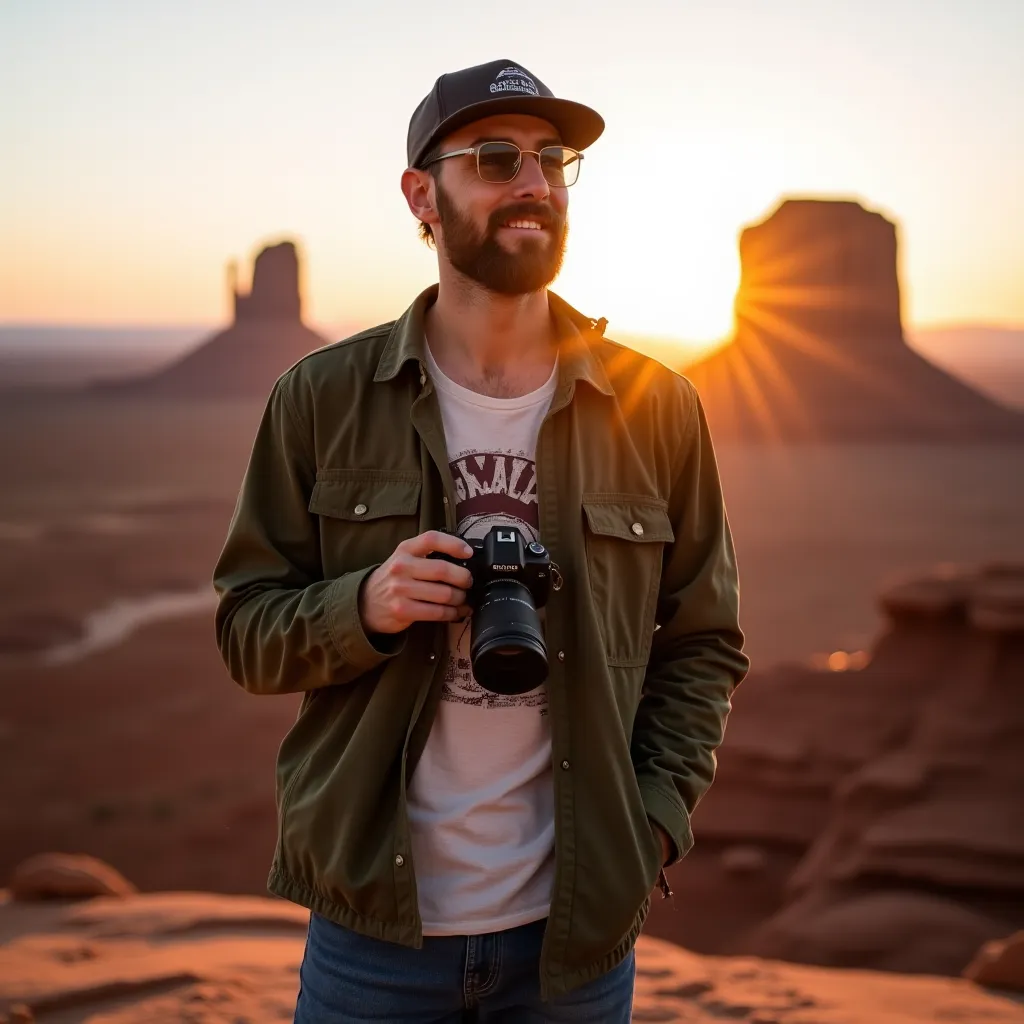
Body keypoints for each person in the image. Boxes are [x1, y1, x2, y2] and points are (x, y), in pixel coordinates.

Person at [213, 57, 749, 1023]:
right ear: (422, 195)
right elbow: (246, 631)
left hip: (574, 939)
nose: (534, 182)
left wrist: (655, 822)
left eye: (553, 159)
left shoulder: (657, 407)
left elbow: (703, 641)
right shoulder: (322, 398)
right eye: (496, 158)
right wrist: (363, 607)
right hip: (375, 934)